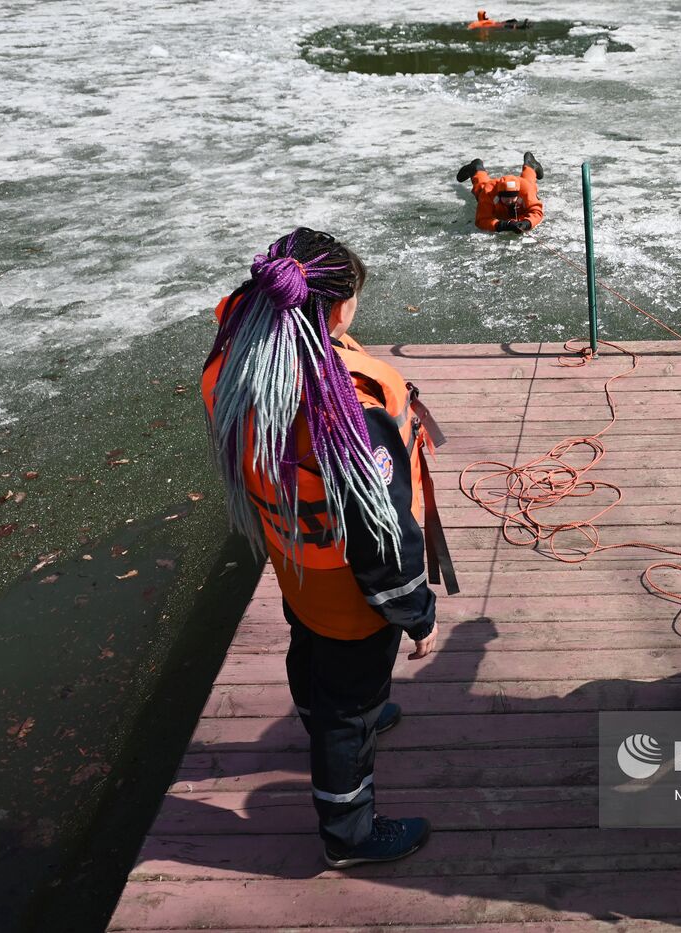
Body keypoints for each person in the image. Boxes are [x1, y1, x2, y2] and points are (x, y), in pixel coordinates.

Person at [201, 227, 457, 868]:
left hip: (294, 561)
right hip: (351, 591)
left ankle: (320, 715)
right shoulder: (348, 408)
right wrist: (415, 612)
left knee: (307, 645)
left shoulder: (242, 354)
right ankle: (349, 835)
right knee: (353, 711)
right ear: (337, 311)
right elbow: (382, 532)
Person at [457, 152, 545, 233]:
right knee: (480, 189)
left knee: (529, 183)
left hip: (524, 185)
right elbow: (481, 220)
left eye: (512, 197)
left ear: (518, 194)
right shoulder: (489, 192)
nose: (510, 201)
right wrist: (503, 225)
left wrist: (527, 223)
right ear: (499, 195)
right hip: (490, 189)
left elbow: (536, 212)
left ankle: (530, 166)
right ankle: (476, 168)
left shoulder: (526, 190)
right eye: (506, 198)